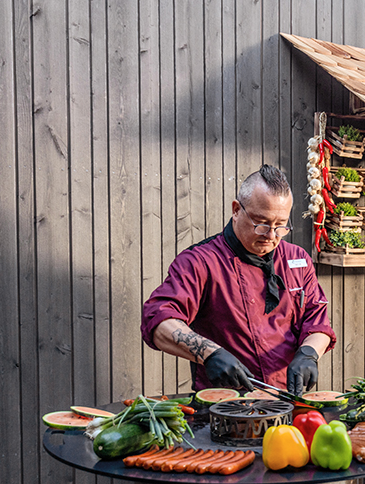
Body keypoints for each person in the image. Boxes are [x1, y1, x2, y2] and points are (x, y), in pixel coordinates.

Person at [141, 164, 335, 396]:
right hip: (224, 404)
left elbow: (317, 320)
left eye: (281, 225)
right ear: (236, 210)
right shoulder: (199, 261)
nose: (271, 236)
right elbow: (158, 319)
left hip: (286, 398)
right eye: (261, 223)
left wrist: (309, 353)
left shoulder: (298, 259)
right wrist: (209, 353)